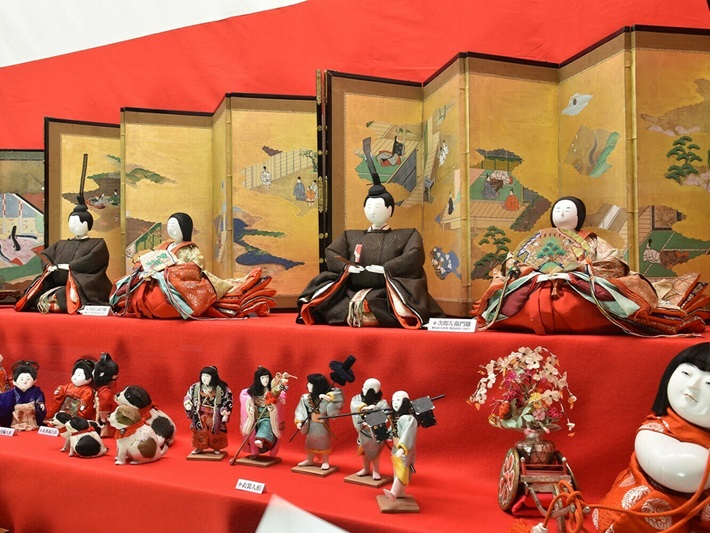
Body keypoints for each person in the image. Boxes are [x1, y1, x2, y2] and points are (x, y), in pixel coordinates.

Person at [473, 196, 706, 336]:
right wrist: (532, 270)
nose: (562, 213)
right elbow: (513, 262)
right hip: (537, 282)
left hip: (579, 283)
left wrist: (582, 268)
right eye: (558, 210)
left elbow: (614, 263)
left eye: (568, 210)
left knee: (602, 302)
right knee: (509, 295)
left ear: (579, 216)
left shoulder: (591, 241)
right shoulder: (538, 240)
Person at [297, 145, 445, 329]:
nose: (373, 211)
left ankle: (377, 314)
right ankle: (358, 314)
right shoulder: (350, 236)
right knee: (331, 304)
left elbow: (413, 255)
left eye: (378, 207)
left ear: (390, 209)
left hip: (388, 291)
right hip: (352, 290)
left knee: (390, 305)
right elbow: (332, 252)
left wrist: (386, 268)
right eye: (369, 207)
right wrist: (347, 267)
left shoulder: (407, 235)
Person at [593, 342, 710, 532]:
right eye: (687, 373)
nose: (693, 385)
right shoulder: (655, 429)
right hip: (641, 515)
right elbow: (686, 472)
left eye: (708, 383)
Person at [110, 212, 274, 319]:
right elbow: (151, 258)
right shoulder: (165, 246)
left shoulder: (191, 250)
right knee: (126, 284)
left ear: (184, 229)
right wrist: (146, 264)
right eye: (169, 225)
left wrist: (173, 267)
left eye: (175, 226)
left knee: (160, 300)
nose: (171, 229)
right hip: (155, 280)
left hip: (176, 283)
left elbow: (196, 269)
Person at [15, 201, 112, 314]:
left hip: (80, 281)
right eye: (70, 222)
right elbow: (46, 255)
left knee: (62, 294)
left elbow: (93, 260)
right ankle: (45, 303)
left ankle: (53, 303)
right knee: (36, 290)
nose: (72, 225)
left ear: (87, 224)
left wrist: (70, 266)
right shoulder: (61, 243)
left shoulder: (97, 243)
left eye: (76, 222)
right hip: (56, 281)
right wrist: (48, 266)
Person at [294, 373, 343, 470]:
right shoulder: (305, 398)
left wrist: (327, 398)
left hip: (322, 424)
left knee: (323, 441)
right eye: (308, 383)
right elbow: (301, 410)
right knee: (310, 441)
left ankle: (325, 461)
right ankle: (309, 459)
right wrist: (300, 421)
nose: (308, 385)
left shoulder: (326, 397)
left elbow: (337, 399)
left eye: (310, 384)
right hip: (311, 424)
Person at [239, 367, 289, 458]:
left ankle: (261, 440)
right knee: (251, 431)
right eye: (262, 378)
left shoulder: (273, 389)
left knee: (266, 424)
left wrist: (273, 404)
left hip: (267, 415)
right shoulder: (252, 391)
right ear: (258, 379)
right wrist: (250, 406)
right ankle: (254, 451)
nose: (265, 380)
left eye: (267, 377)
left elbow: (281, 397)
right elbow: (245, 396)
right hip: (255, 415)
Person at [184, 366, 233, 455]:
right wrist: (187, 403)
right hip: (200, 413)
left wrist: (225, 411)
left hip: (215, 414)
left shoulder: (222, 388)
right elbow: (188, 396)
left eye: (207, 376)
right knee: (200, 430)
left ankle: (216, 447)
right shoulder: (195, 387)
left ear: (213, 377)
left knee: (215, 431)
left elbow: (228, 400)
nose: (204, 378)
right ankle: (199, 447)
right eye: (203, 376)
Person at [350, 378, 389, 480]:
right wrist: (362, 408)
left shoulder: (381, 403)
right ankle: (366, 468)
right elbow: (354, 407)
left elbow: (386, 415)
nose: (363, 389)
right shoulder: (357, 400)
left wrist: (375, 409)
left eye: (366, 387)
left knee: (375, 452)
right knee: (364, 452)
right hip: (363, 431)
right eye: (363, 386)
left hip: (374, 432)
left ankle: (376, 471)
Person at [384, 390, 417, 502]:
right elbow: (393, 430)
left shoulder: (409, 418)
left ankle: (393, 493)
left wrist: (403, 449)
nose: (395, 403)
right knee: (396, 470)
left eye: (398, 400)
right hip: (395, 447)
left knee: (401, 470)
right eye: (393, 400)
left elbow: (408, 435)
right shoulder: (394, 417)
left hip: (404, 449)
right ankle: (400, 492)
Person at [0, 360, 45, 430]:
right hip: (14, 422)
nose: (25, 382)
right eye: (21, 379)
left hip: (31, 422)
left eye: (28, 379)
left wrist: (40, 404)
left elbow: (39, 401)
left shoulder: (36, 392)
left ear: (34, 380)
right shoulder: (8, 395)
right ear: (14, 381)